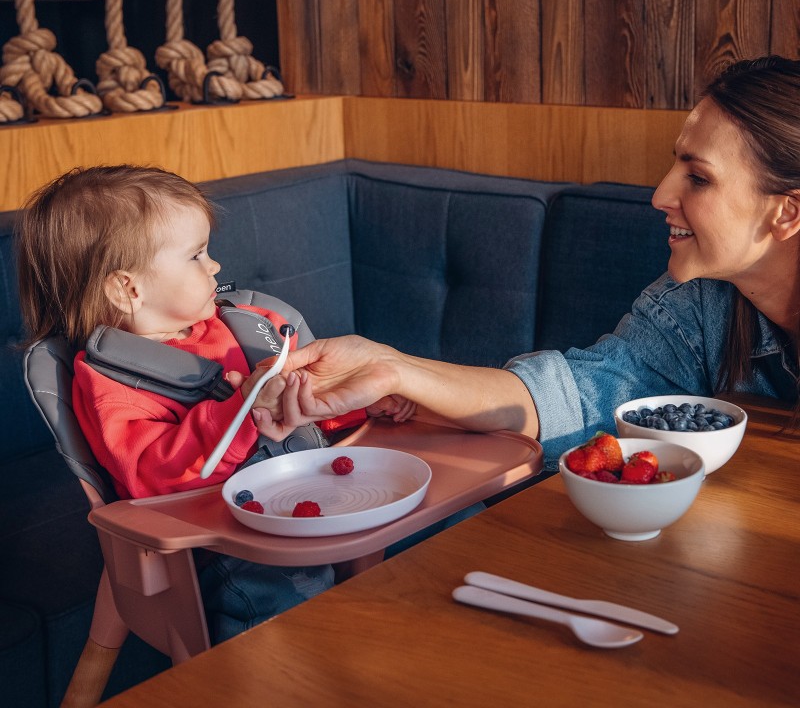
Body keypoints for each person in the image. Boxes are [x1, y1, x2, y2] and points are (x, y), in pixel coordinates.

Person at [254, 56, 800, 470]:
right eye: (674, 166)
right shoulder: (700, 303)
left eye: (698, 177)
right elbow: (573, 398)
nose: (660, 195)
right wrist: (390, 369)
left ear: (785, 213)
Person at [15, 164, 413, 643]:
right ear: (128, 288)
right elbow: (150, 475)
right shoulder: (110, 382)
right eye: (196, 256)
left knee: (432, 527)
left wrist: (358, 407)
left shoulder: (243, 327)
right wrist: (238, 407)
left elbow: (303, 403)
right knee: (283, 606)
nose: (215, 267)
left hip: (315, 499)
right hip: (223, 542)